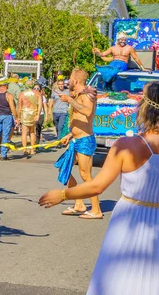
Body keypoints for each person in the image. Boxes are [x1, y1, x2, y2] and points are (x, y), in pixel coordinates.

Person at [40, 81, 159, 294]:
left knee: (124, 282)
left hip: (132, 222)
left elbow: (97, 186)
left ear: (146, 108)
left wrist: (63, 194)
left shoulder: (126, 146)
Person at [53, 68, 101, 219]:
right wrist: (69, 134)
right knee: (63, 167)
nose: (68, 81)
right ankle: (79, 204)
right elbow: (79, 118)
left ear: (75, 81)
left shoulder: (88, 95)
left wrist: (70, 101)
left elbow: (87, 112)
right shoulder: (80, 95)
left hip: (85, 140)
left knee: (86, 176)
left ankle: (96, 210)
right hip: (75, 139)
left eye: (70, 79)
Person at [18, 80, 42, 157]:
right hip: (33, 113)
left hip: (25, 113)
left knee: (24, 133)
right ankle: (32, 149)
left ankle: (25, 149)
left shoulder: (22, 94)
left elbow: (19, 107)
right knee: (32, 132)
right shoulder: (38, 93)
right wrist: (38, 114)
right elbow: (40, 105)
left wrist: (18, 117)